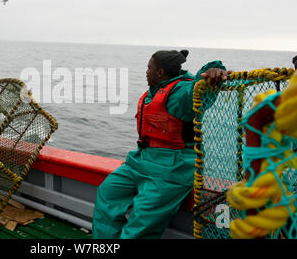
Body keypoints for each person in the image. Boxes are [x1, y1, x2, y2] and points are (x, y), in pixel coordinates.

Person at [92, 50, 230, 239]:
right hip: (141, 160)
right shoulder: (156, 89)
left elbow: (200, 89)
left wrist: (214, 70)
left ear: (160, 72)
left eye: (149, 68)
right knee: (108, 193)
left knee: (142, 221)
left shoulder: (182, 93)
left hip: (172, 169)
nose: (146, 71)